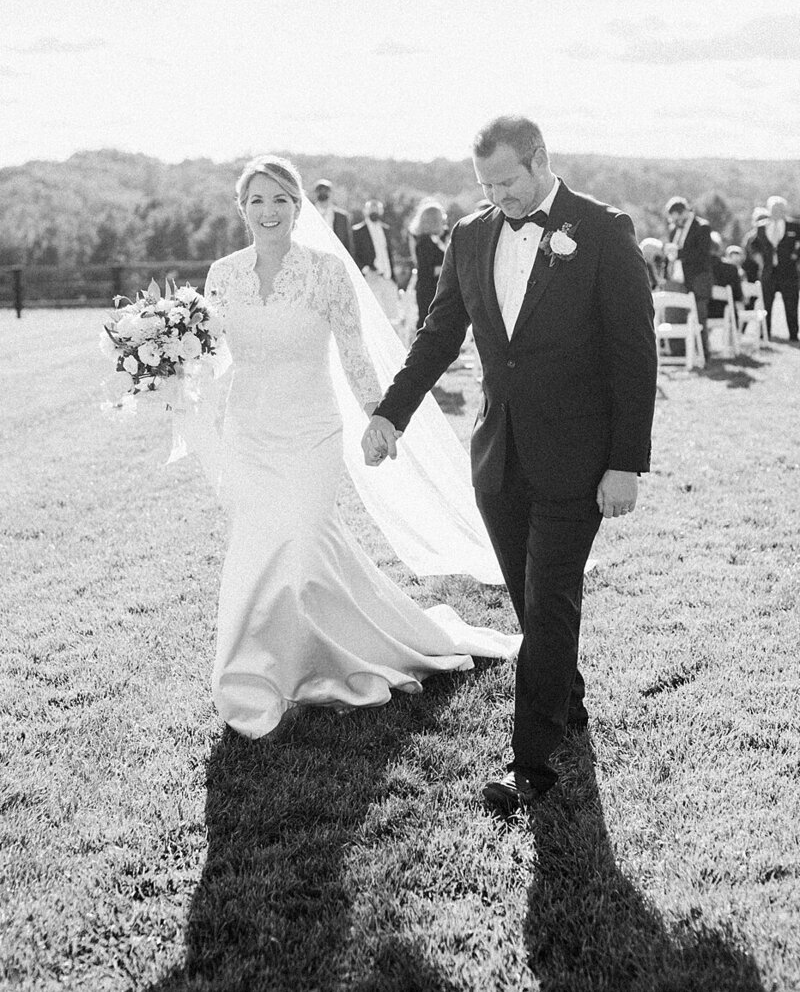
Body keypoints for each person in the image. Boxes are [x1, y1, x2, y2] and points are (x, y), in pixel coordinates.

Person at [362, 116, 657, 810]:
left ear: (540, 161)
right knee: (530, 600)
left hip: (579, 456)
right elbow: (438, 335)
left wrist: (626, 464)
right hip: (498, 452)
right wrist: (389, 413)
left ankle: (530, 766)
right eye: (484, 185)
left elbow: (633, 356)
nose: (497, 197)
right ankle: (568, 701)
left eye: (507, 181)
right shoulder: (468, 236)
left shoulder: (603, 231)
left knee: (550, 597)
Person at [186, 156, 518, 739]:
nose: (268, 211)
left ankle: (329, 657)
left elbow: (355, 354)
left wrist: (379, 418)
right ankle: (258, 670)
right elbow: (215, 357)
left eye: (280, 200)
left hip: (310, 431)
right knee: (259, 550)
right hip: (248, 433)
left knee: (305, 537)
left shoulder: (326, 273)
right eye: (257, 201)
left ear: (298, 208)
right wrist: (170, 371)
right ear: (242, 209)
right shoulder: (222, 275)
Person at [746, 195, 800, 342]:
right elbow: (752, 245)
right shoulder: (761, 227)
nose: (777, 211)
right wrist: (759, 259)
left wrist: (796, 256)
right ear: (769, 210)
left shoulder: (795, 226)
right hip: (768, 272)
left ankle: (794, 335)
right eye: (774, 209)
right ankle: (765, 333)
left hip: (788, 272)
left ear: (784, 210)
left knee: (791, 304)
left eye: (780, 208)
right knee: (766, 304)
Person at [664, 196, 713, 358]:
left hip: (697, 279)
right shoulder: (673, 230)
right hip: (676, 280)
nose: (675, 221)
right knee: (674, 315)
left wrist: (679, 253)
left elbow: (702, 254)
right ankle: (678, 353)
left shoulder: (702, 227)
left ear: (685, 212)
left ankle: (702, 353)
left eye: (677, 217)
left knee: (699, 316)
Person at [352, 199, 401, 326]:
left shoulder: (386, 229)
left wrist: (394, 278)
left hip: (388, 278)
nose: (374, 211)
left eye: (377, 209)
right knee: (374, 317)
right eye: (371, 208)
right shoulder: (357, 231)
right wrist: (366, 270)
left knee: (393, 317)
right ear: (365, 211)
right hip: (371, 278)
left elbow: (389, 253)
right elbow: (353, 254)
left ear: (381, 211)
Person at [407, 199, 449, 329]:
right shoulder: (424, 242)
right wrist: (449, 267)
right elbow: (425, 269)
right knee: (427, 323)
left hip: (435, 288)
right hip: (428, 289)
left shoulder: (436, 239)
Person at [311, 178, 354, 256]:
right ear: (315, 193)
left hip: (337, 257)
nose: (323, 192)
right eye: (320, 190)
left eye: (326, 190)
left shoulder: (342, 217)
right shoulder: (308, 214)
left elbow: (348, 244)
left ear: (331, 193)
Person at [708, 232, 743, 319]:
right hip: (726, 315)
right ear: (719, 249)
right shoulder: (731, 268)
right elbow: (738, 296)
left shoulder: (698, 270)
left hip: (703, 315)